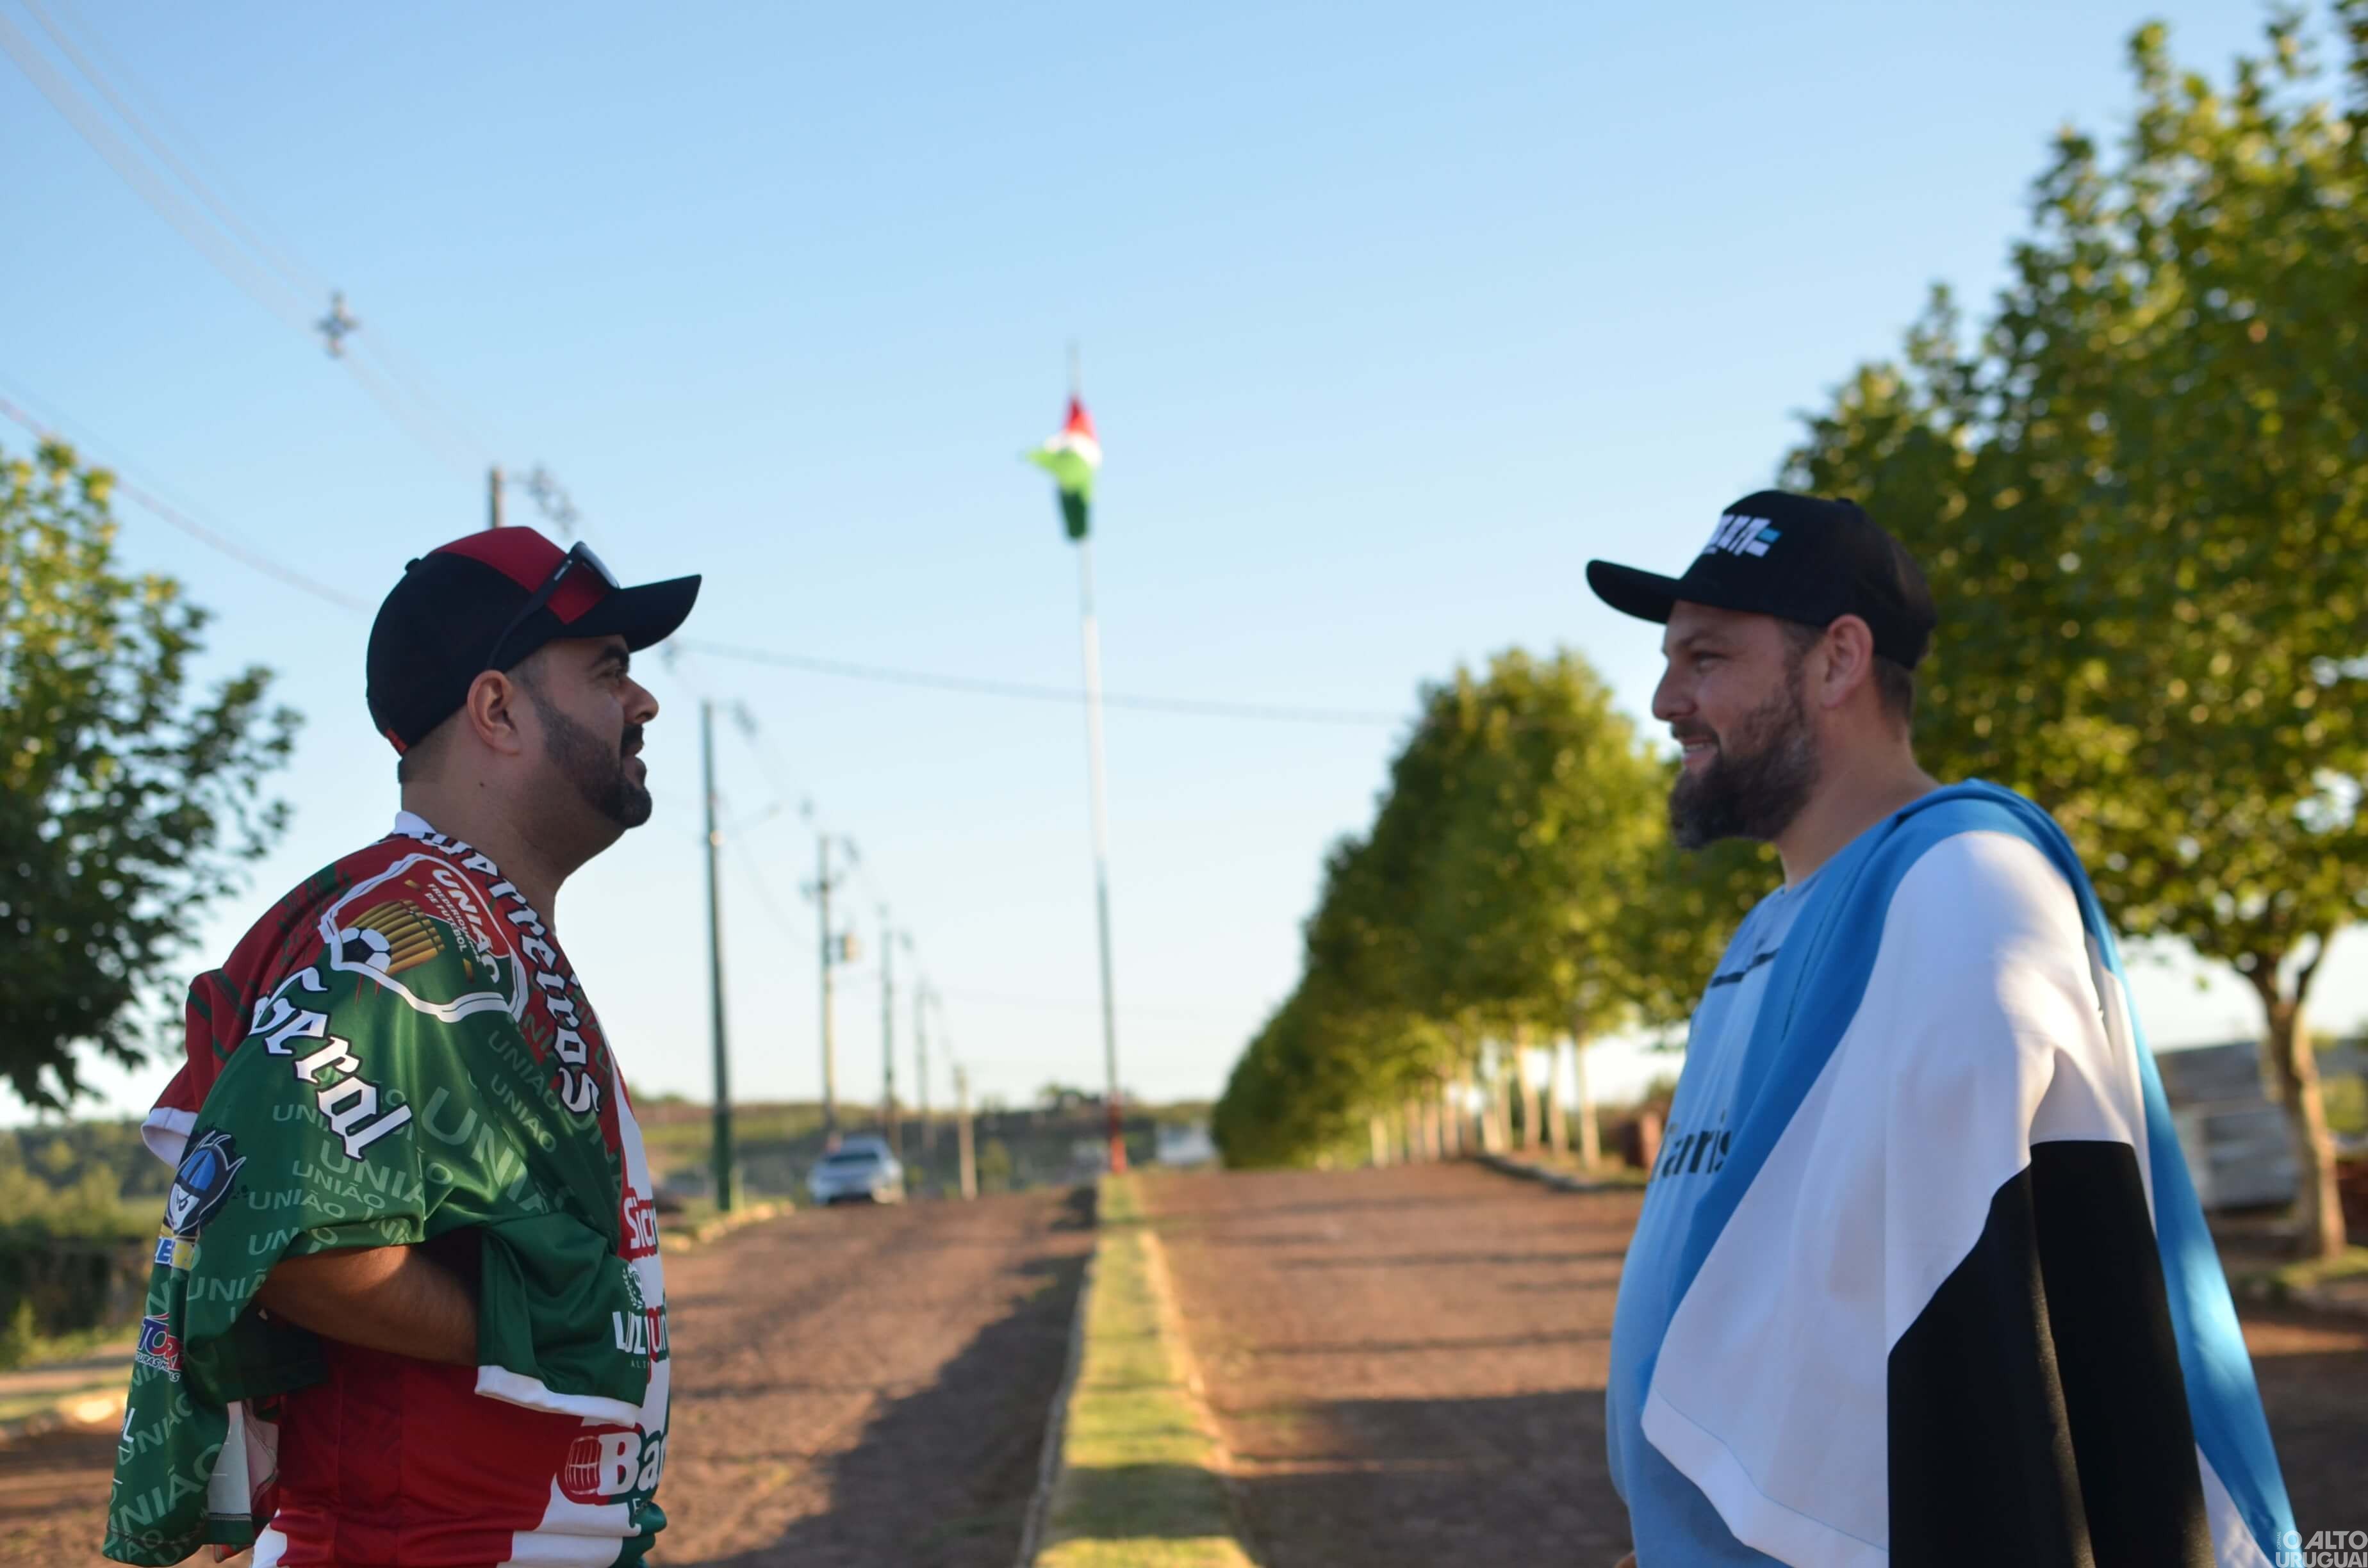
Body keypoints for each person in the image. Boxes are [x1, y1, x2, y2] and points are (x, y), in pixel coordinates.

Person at [1586, 493, 2292, 1567]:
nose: (1663, 699)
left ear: (1838, 662)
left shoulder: (1963, 881)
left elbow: (2000, 1346)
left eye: (1707, 658)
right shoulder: (1763, 938)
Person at [104, 528, 698, 1568]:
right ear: (498, 709)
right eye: (609, 671)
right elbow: (278, 1230)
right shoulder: (410, 934)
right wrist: (528, 1327)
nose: (642, 703)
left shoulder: (471, 921)